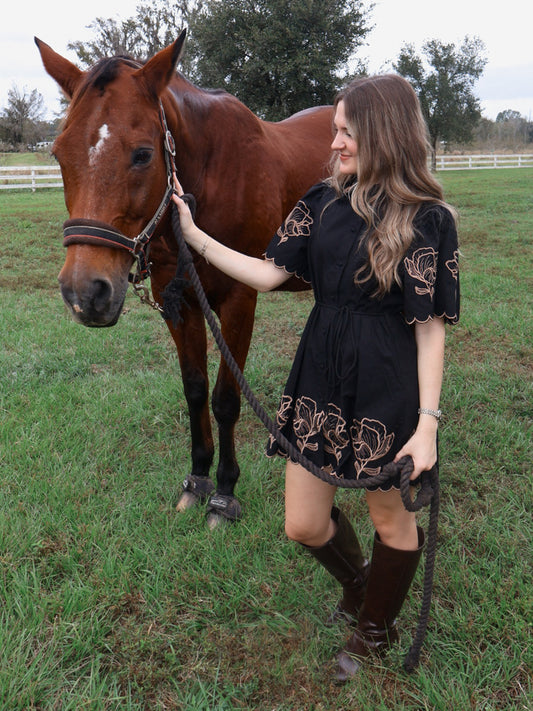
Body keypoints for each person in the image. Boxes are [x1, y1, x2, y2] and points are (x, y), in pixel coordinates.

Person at [172, 74, 460, 681]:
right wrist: (196, 236)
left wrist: (428, 424)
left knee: (390, 517)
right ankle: (361, 588)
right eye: (334, 130)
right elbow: (270, 273)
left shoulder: (428, 220)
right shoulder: (321, 201)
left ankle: (375, 630)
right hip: (319, 375)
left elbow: (430, 327)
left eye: (345, 132)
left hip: (387, 382)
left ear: (382, 134)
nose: (333, 143)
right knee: (302, 522)